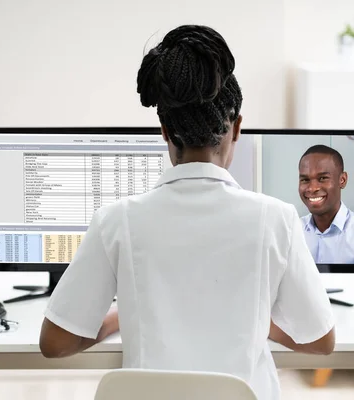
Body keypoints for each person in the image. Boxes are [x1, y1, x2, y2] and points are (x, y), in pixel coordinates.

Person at [39, 25, 335, 400]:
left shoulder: (117, 220)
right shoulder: (276, 218)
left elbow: (54, 341)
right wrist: (253, 320)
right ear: (237, 128)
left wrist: (123, 317)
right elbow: (321, 340)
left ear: (164, 130)